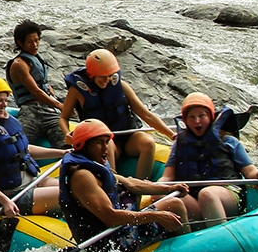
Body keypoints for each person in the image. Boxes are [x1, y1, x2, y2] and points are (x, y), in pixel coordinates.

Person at [59, 119, 189, 248]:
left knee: (174, 203)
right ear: (83, 145)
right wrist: (155, 216)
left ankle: (183, 241)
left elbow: (131, 184)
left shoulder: (95, 165)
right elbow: (110, 218)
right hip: (110, 245)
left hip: (122, 230)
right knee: (173, 206)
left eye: (106, 142)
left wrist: (169, 189)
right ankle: (186, 249)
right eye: (99, 142)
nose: (105, 147)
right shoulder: (82, 177)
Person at [159, 92, 258, 228]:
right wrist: (156, 186)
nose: (197, 121)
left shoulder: (228, 141)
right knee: (159, 195)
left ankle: (224, 234)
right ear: (185, 120)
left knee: (207, 194)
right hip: (193, 198)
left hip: (227, 194)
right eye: (191, 117)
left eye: (202, 116)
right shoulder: (180, 144)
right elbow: (167, 177)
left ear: (211, 117)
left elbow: (250, 171)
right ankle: (186, 236)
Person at [0, 76, 66, 219]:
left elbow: (24, 149)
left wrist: (61, 153)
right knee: (70, 194)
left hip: (30, 182)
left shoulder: (5, 122)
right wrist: (5, 201)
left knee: (76, 188)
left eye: (5, 100)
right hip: (9, 196)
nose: (4, 104)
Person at [58, 48, 174, 180]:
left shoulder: (121, 86)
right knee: (108, 144)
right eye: (102, 76)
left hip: (127, 138)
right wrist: (67, 133)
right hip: (103, 141)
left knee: (148, 142)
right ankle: (113, 184)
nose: (106, 80)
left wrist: (171, 134)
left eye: (109, 76)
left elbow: (146, 115)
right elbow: (64, 118)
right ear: (91, 75)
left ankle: (141, 183)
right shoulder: (77, 91)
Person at [4, 20, 66, 149]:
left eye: (37, 40)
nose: (35, 45)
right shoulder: (19, 64)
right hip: (30, 111)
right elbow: (36, 92)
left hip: (48, 111)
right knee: (18, 147)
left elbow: (44, 85)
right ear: (20, 43)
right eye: (30, 42)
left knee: (66, 142)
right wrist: (60, 106)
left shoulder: (36, 59)